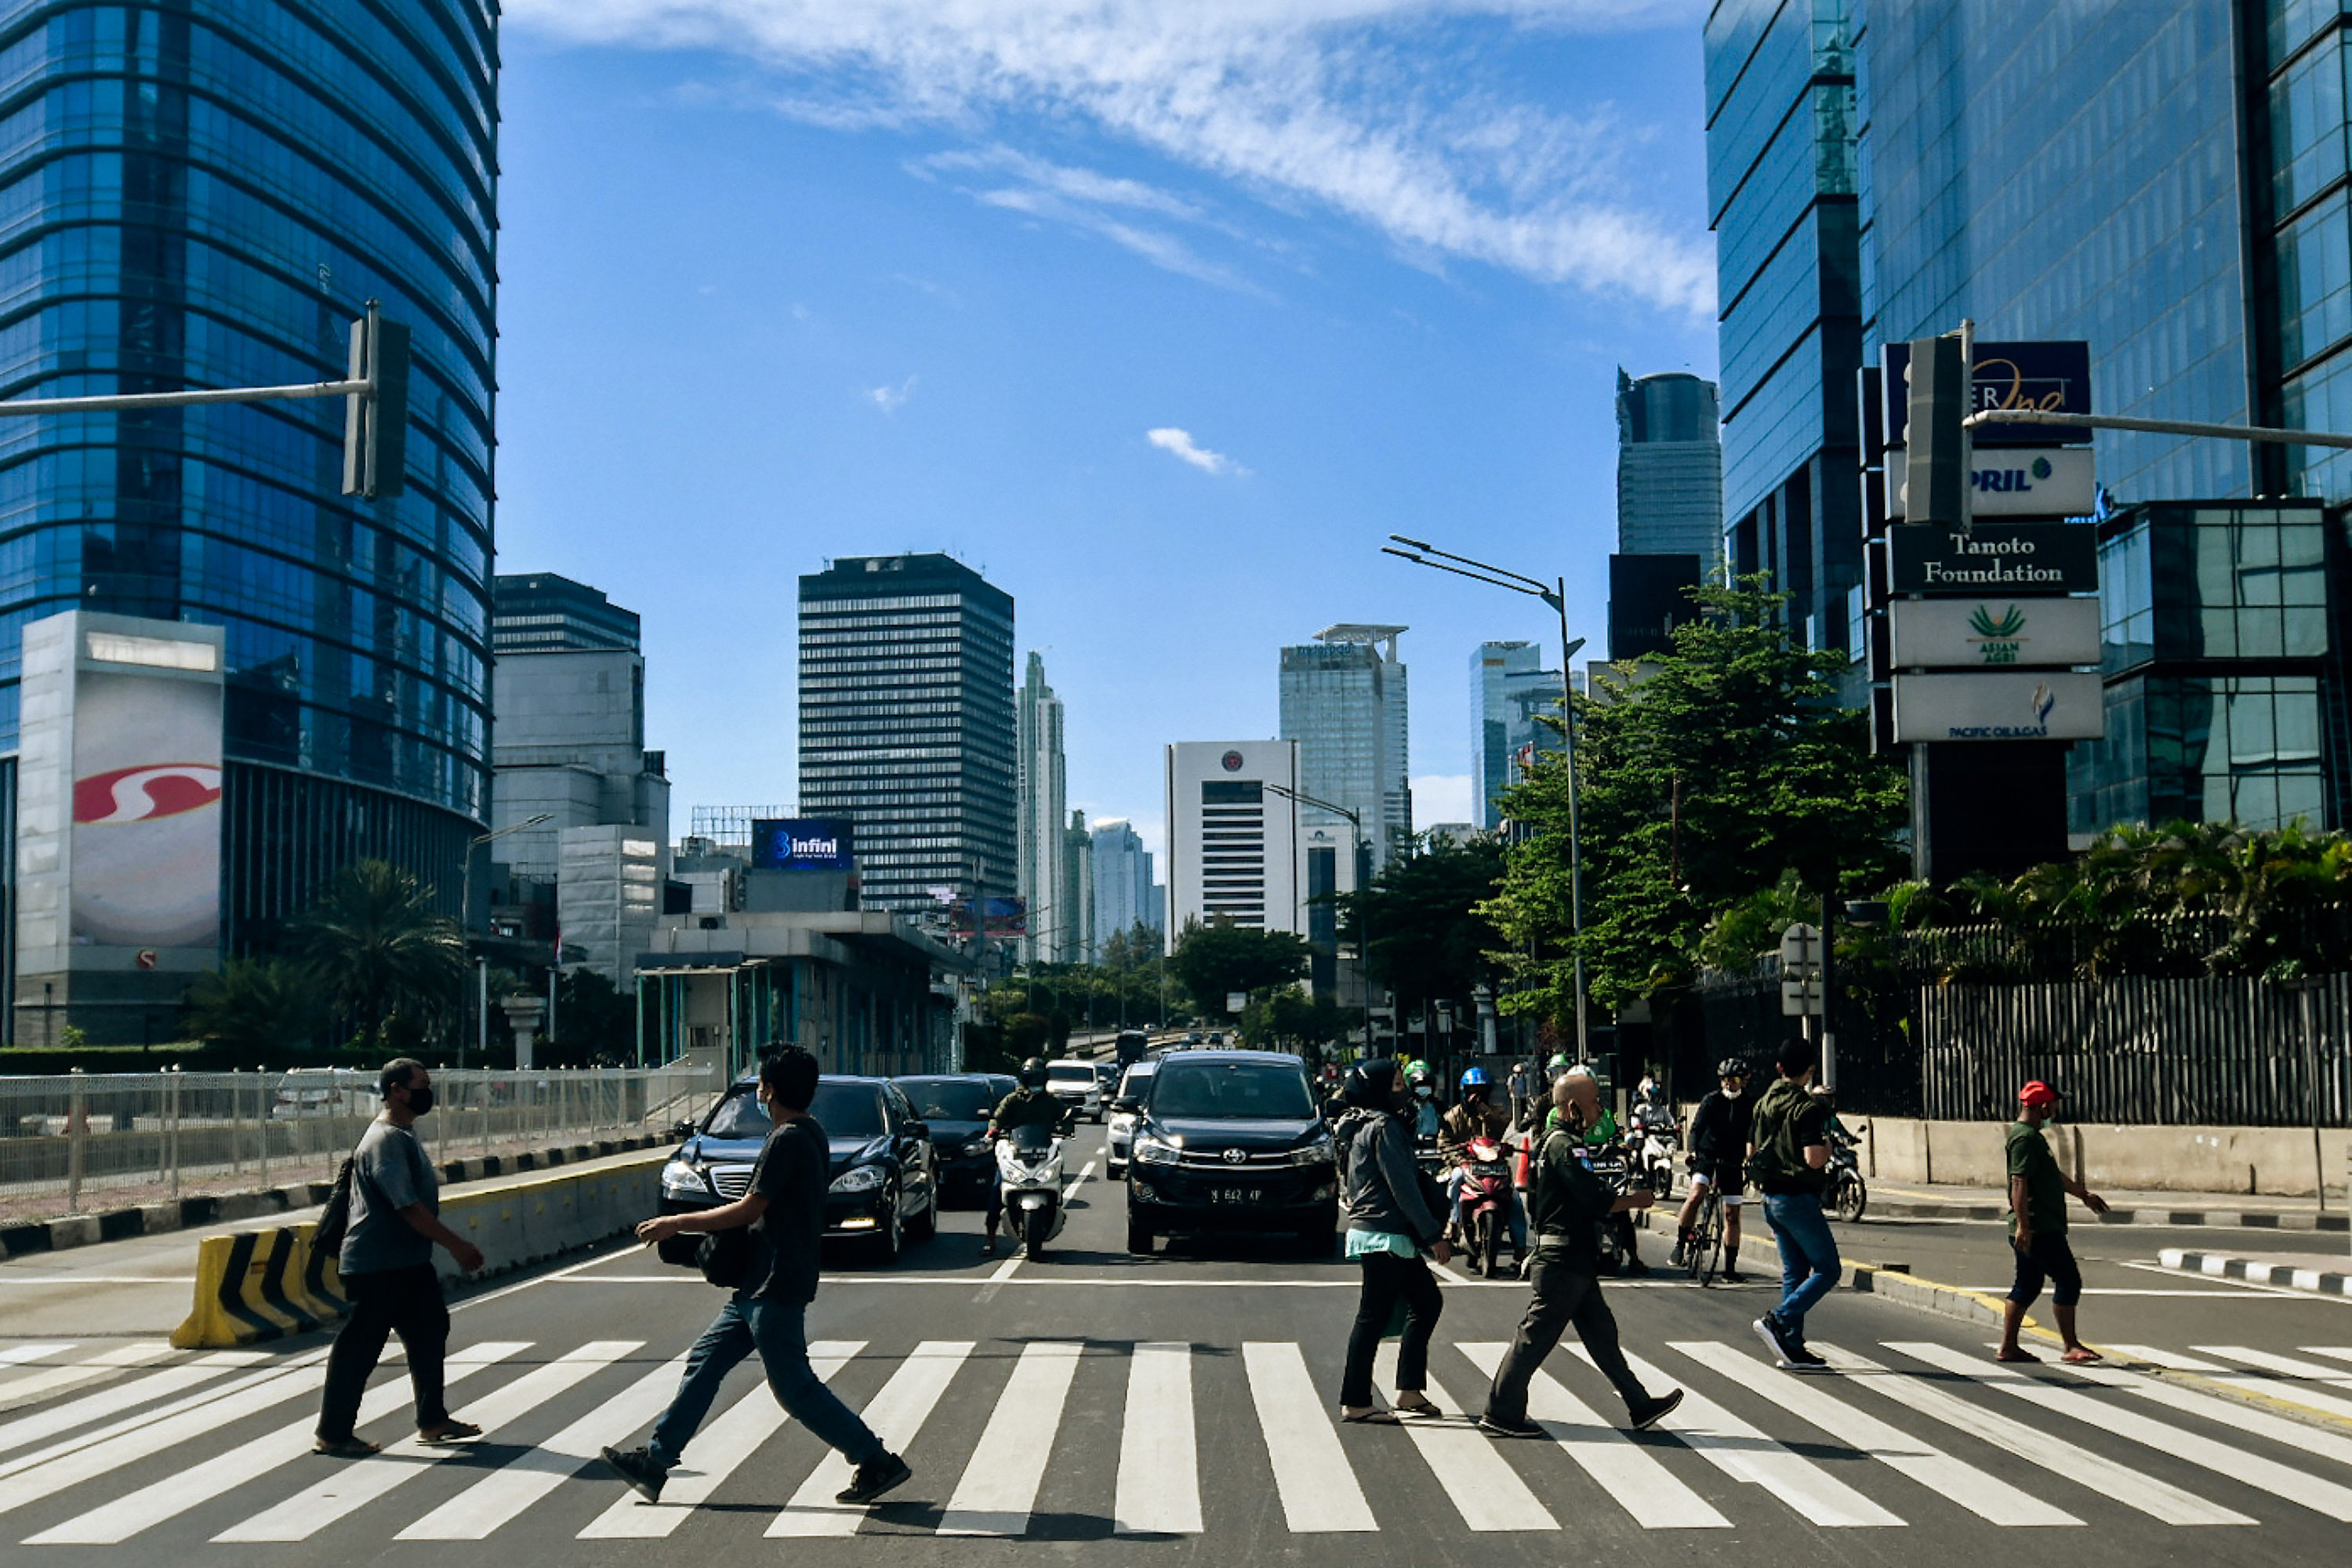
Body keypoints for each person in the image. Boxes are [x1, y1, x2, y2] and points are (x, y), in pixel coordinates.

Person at [604, 1046, 910, 1507]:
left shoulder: (789, 1138)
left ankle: (875, 1459)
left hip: (777, 1283)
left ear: (768, 1090)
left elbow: (751, 1208)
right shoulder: (808, 1133)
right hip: (757, 1281)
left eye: (762, 1086)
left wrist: (677, 1223)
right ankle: (657, 1459)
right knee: (705, 1362)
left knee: (794, 1388)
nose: (759, 1095)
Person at [1480, 1070, 1684, 1439]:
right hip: (1563, 1262)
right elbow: (1592, 1199)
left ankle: (1639, 1404)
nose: (1599, 1109)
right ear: (1574, 1106)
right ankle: (1501, 1412)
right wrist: (1635, 1200)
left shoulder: (1558, 1141)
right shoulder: (1563, 1143)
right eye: (1594, 1101)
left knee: (1602, 1335)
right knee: (1534, 1338)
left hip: (1574, 1261)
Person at [314, 1059, 485, 1457]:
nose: (427, 1093)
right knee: (360, 1346)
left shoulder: (402, 1134)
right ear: (396, 1090)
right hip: (377, 1264)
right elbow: (406, 1206)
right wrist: (456, 1245)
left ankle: (433, 1420)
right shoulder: (386, 1140)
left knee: (429, 1331)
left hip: (406, 1262)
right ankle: (333, 1432)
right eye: (420, 1085)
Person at [1334, 1058, 1450, 1423]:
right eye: (1397, 1085)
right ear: (1380, 1089)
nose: (1404, 1091)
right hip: (1384, 1233)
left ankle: (1410, 1392)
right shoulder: (1384, 1127)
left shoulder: (1362, 1125)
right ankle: (1356, 1401)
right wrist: (1434, 1235)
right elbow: (1404, 1187)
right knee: (1373, 1316)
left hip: (1378, 1231)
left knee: (1426, 1301)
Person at [1997, 1080, 2110, 1364]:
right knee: (2068, 1280)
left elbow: (2052, 1176)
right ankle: (2070, 1345)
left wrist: (2083, 1195)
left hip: (2037, 1225)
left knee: (2028, 1284)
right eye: (2055, 1103)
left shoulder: (2032, 1136)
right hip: (2039, 1227)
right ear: (2044, 1105)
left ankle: (2008, 1346)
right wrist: (2024, 1225)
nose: (2057, 1108)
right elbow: (2019, 1183)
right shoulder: (2024, 1138)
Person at [1747, 1040, 1838, 1371]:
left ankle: (1791, 1344)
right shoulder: (1808, 1108)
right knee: (1828, 1269)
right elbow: (1813, 1160)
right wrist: (1827, 1146)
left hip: (1770, 1197)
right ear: (1810, 1071)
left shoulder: (1763, 1103)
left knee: (1795, 1271)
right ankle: (1779, 1319)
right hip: (1798, 1197)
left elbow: (1750, 1151)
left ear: (1779, 1067)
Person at [980, 1058, 1074, 1258]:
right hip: (1016, 1152)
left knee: (1057, 1175)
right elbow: (997, 1118)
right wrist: (993, 1131)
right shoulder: (1013, 1100)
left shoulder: (1050, 1102)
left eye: (1039, 1078)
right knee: (997, 1189)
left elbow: (1065, 1117)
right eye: (1032, 1078)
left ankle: (1054, 1207)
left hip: (1043, 1152)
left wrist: (1067, 1126)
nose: (1035, 1082)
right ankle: (990, 1236)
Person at [1671, 1058, 1753, 1283]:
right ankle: (1680, 1243)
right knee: (1696, 1194)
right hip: (1707, 1157)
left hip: (1732, 1162)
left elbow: (1751, 1136)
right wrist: (1693, 1151)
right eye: (1726, 1080)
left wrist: (1750, 1159)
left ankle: (1730, 1268)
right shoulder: (1711, 1101)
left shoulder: (1749, 1105)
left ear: (1743, 1082)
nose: (1729, 1085)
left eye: (1734, 1080)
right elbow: (1697, 1129)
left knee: (1732, 1215)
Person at [1438, 1067, 1526, 1263]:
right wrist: (1458, 1160)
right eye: (1471, 1091)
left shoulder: (1494, 1112)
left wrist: (1485, 1113)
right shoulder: (1453, 1116)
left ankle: (1520, 1246)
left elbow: (1506, 1127)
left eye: (1481, 1091)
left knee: (1516, 1200)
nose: (1476, 1096)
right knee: (1456, 1179)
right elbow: (1443, 1143)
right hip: (1465, 1166)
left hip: (1494, 1167)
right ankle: (1453, 1222)